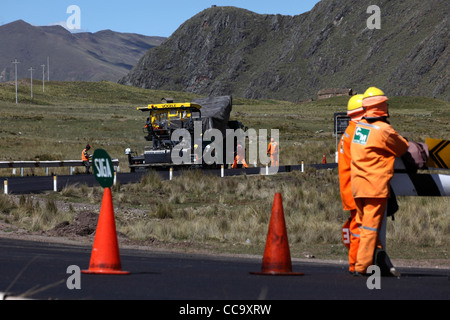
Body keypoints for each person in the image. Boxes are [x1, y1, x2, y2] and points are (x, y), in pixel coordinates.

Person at [350, 87, 409, 276]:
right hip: (374, 187)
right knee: (370, 227)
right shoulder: (384, 130)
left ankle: (374, 260)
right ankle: (363, 266)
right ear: (382, 106)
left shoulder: (361, 128)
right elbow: (402, 147)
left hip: (357, 185)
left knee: (362, 225)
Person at [338, 94, 364, 274]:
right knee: (359, 228)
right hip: (356, 188)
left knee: (357, 226)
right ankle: (356, 264)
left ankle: (359, 262)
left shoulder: (349, 131)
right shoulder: (358, 132)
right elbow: (364, 156)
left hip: (349, 187)